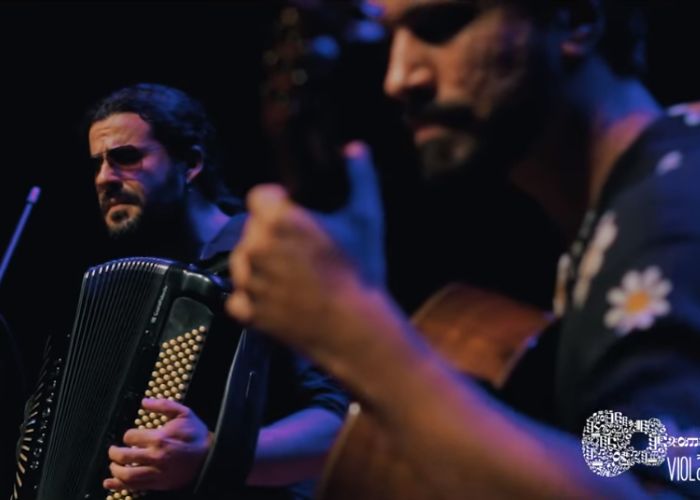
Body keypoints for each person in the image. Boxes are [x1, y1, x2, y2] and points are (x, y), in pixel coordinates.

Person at [227, 0, 700, 496]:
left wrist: (354, 335)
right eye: (392, 39)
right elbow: (652, 456)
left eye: (440, 26)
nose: (399, 78)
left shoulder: (675, 206)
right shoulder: (633, 210)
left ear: (577, 20)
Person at [86, 83, 347, 499]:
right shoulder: (126, 291)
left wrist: (212, 457)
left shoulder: (269, 251)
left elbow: (341, 422)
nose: (104, 178)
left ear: (190, 163)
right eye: (97, 163)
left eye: (126, 158)